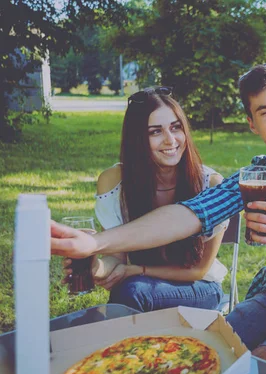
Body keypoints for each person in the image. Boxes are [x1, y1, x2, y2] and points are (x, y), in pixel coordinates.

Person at [50, 62, 266, 361]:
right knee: (204, 354)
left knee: (264, 362)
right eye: (265, 111)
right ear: (252, 123)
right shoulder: (257, 175)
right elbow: (188, 213)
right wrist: (94, 245)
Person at [63, 87, 228, 312]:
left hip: (200, 288)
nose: (170, 140)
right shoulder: (115, 183)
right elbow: (115, 259)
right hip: (142, 285)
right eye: (155, 132)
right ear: (137, 139)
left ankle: (118, 344)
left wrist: (138, 270)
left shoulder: (210, 184)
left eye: (176, 127)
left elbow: (198, 271)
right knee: (132, 291)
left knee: (131, 292)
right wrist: (96, 266)